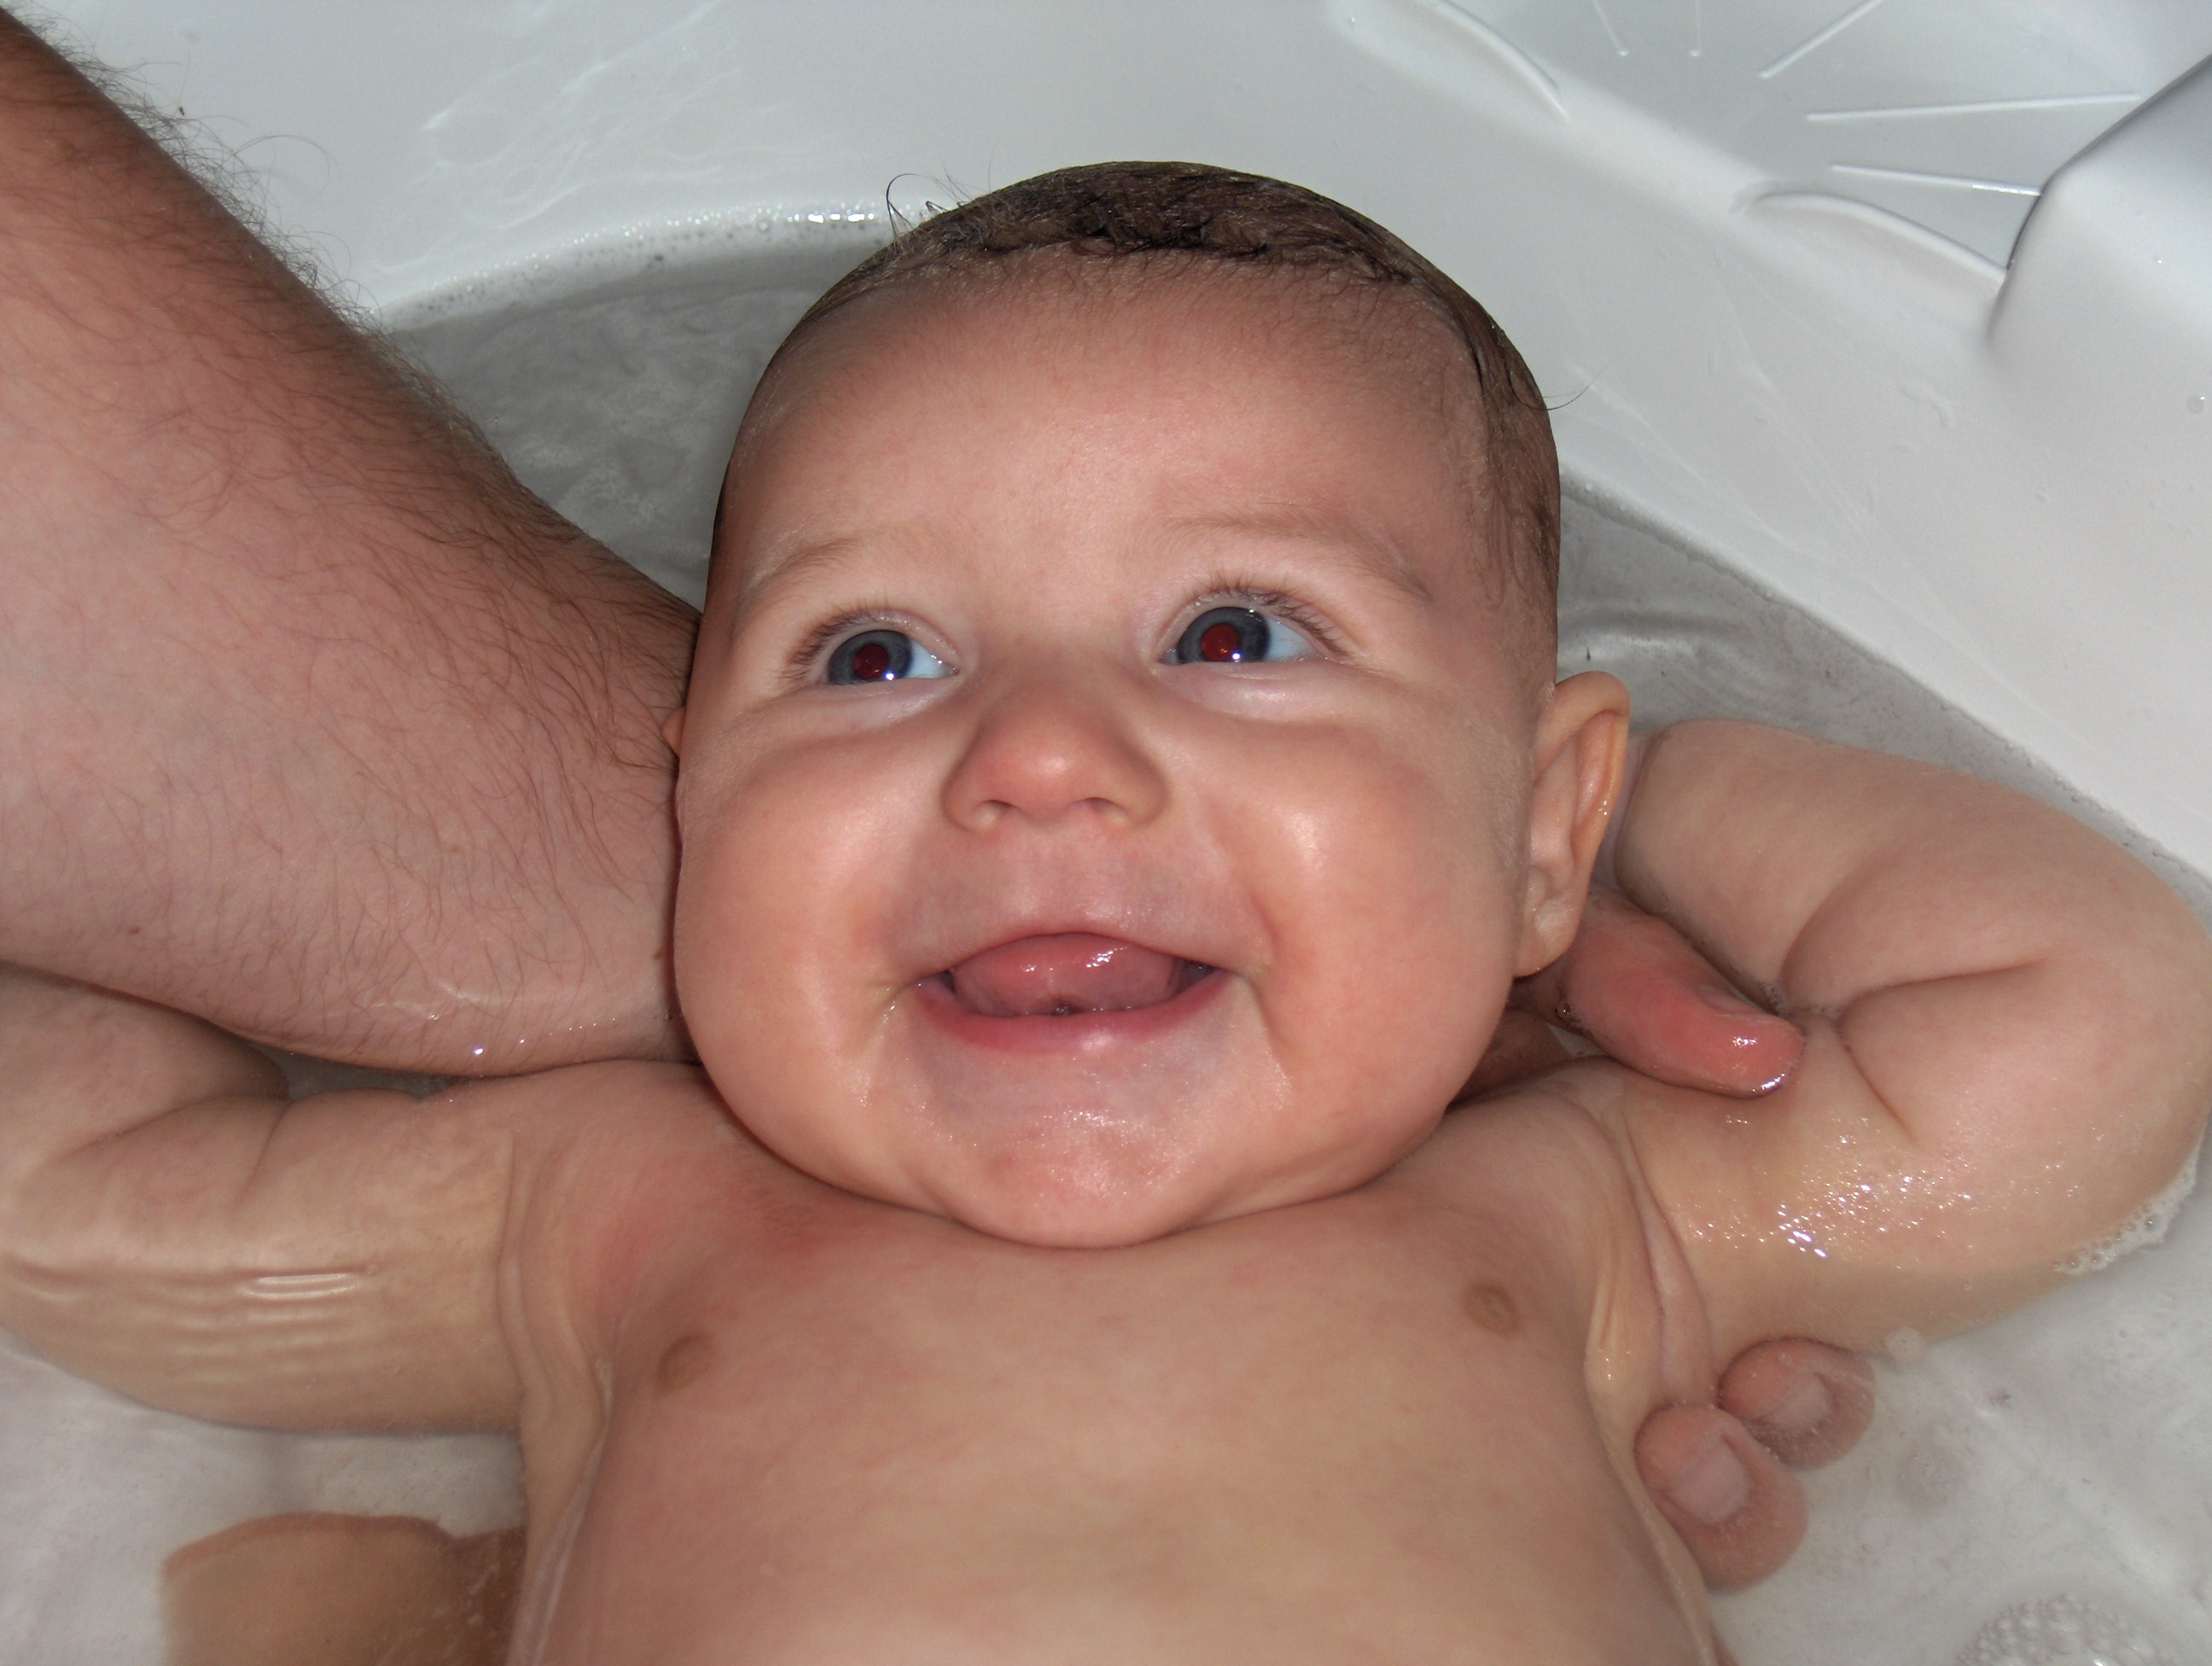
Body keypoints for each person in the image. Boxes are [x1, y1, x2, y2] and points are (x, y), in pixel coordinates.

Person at [4, 160, 2206, 1664]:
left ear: (1545, 819)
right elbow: (72, 1198)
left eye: (1237, 633)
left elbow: (2096, 1027)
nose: (1038, 750)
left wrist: (1655, 819)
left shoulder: (1592, 1222)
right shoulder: (593, 1206)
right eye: (873, 657)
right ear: (689, 809)